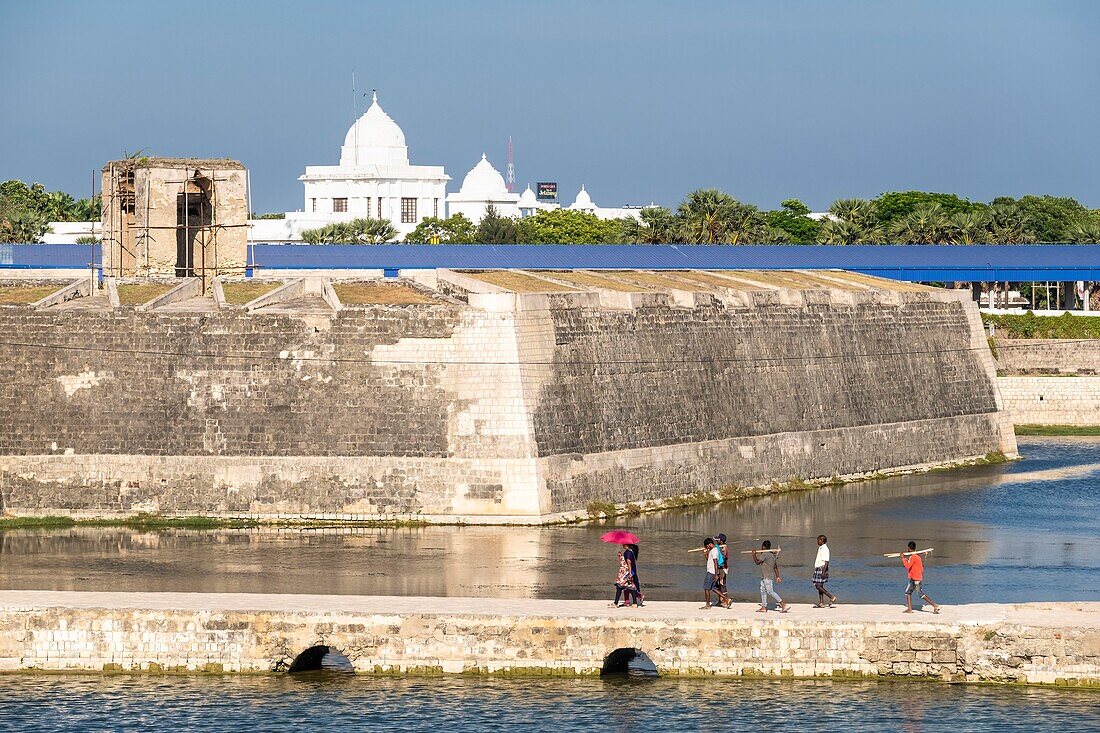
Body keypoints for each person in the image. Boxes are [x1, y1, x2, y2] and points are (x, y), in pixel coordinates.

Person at [901, 541, 941, 614]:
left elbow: (907, 566)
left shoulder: (913, 557)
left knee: (920, 594)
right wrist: (906, 559)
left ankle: (935, 605)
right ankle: (909, 609)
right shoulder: (917, 557)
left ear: (909, 548)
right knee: (908, 592)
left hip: (915, 578)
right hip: (915, 577)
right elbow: (914, 564)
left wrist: (903, 559)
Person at [751, 540, 787, 612]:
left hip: (767, 577)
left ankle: (782, 604)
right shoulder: (772, 555)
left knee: (770, 591)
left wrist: (754, 555)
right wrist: (777, 576)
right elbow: (775, 567)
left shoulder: (765, 554)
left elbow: (757, 562)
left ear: (763, 547)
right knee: (763, 591)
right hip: (764, 576)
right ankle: (763, 607)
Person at [701, 537, 732, 609]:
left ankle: (707, 605)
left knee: (706, 588)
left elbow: (715, 563)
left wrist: (715, 574)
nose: (707, 548)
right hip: (712, 571)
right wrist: (705, 553)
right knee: (714, 588)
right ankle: (726, 599)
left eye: (707, 546)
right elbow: (709, 560)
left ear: (709, 544)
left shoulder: (714, 551)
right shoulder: (713, 550)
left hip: (711, 572)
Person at [812, 534, 838, 608]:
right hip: (818, 567)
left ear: (822, 541)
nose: (817, 541)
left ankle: (831, 597)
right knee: (820, 586)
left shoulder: (825, 549)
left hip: (821, 568)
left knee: (817, 585)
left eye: (818, 540)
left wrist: (823, 572)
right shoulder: (820, 548)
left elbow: (827, 561)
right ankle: (821, 602)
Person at [711, 533, 729, 606]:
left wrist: (720, 550)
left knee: (722, 584)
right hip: (719, 568)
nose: (716, 541)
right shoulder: (718, 547)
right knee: (718, 585)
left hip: (722, 568)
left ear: (721, 541)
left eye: (717, 540)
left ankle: (726, 600)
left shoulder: (723, 548)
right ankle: (720, 601)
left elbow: (725, 558)